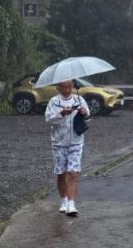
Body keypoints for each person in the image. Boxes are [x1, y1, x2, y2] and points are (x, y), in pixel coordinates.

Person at [45, 80, 90, 217]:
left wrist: (84, 112)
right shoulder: (54, 101)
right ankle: (64, 200)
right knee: (61, 173)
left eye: (69, 87)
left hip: (76, 141)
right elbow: (48, 119)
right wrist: (61, 114)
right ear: (58, 88)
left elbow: (88, 118)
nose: (66, 90)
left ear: (73, 87)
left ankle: (71, 204)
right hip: (59, 142)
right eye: (63, 87)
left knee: (73, 172)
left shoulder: (79, 99)